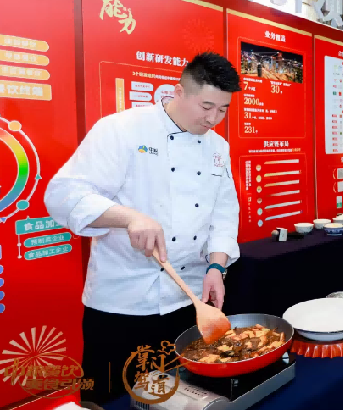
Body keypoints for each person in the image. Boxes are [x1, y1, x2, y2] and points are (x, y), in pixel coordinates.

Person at [44, 52, 242, 404]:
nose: (214, 119)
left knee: (182, 396)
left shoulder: (218, 147)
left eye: (223, 109)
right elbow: (63, 195)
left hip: (189, 300)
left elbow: (224, 212)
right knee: (111, 399)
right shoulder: (122, 128)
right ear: (179, 92)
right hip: (124, 303)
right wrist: (129, 217)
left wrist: (216, 264)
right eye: (206, 106)